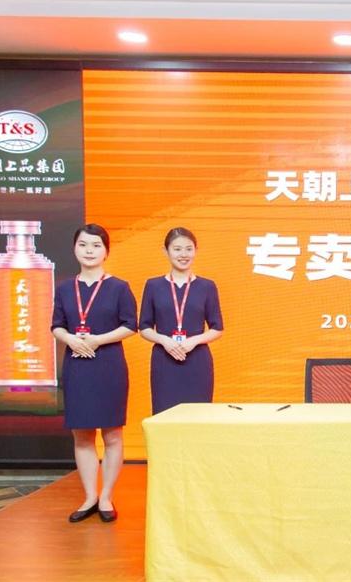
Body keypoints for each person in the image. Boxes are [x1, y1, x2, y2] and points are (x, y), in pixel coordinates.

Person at [51, 224, 137, 523]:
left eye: (96, 245)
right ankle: (89, 496)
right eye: (84, 245)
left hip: (108, 364)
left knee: (112, 433)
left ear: (106, 251)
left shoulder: (119, 287)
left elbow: (130, 324)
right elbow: (56, 325)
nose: (89, 251)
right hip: (77, 364)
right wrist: (70, 339)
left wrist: (98, 340)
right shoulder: (64, 288)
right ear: (74, 248)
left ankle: (106, 496)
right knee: (82, 434)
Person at [139, 227, 224, 414]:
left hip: (197, 360)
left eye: (188, 249)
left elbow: (217, 328)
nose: (183, 254)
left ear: (196, 251)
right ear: (166, 251)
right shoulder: (153, 285)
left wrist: (194, 341)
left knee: (198, 416)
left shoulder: (207, 286)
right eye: (177, 249)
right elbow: (144, 327)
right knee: (164, 415)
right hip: (164, 358)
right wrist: (164, 341)